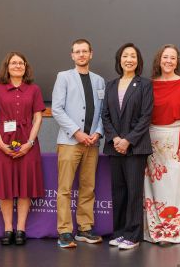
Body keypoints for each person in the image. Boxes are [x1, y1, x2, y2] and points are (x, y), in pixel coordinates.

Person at [0, 52, 45, 246]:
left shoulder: (34, 89)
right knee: (5, 187)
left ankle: (21, 229)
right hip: (3, 142)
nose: (18, 65)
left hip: (28, 141)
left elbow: (38, 117)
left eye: (21, 63)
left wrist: (29, 142)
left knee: (25, 187)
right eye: (13, 63)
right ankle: (7, 228)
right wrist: (0, 144)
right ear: (7, 67)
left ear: (26, 67)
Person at [51, 39, 106, 248]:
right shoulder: (63, 77)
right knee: (64, 189)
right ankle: (64, 232)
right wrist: (77, 133)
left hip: (92, 143)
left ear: (91, 54)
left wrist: (98, 133)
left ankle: (85, 228)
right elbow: (57, 109)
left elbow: (103, 112)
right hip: (69, 142)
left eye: (85, 51)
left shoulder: (99, 80)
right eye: (77, 52)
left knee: (88, 187)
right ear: (72, 55)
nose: (81, 55)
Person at [101, 43, 153, 250]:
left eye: (133, 56)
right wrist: (115, 139)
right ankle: (120, 232)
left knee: (133, 191)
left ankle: (133, 235)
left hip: (135, 147)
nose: (129, 59)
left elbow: (145, 116)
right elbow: (105, 115)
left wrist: (128, 140)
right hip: (115, 147)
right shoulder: (111, 85)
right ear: (119, 60)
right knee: (119, 191)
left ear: (138, 61)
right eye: (125, 56)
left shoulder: (144, 84)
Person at [144, 44, 180, 245]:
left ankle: (175, 231)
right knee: (154, 187)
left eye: (172, 58)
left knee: (175, 186)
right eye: (165, 57)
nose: (168, 61)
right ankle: (156, 231)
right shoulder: (149, 84)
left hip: (177, 140)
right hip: (152, 140)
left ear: (177, 62)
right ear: (159, 60)